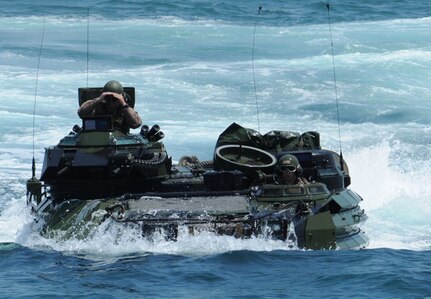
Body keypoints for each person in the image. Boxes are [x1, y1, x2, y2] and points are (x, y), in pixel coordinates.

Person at [77, 80, 142, 133]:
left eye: (114, 99)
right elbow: (81, 113)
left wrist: (124, 105)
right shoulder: (97, 105)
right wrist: (97, 101)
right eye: (108, 99)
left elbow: (136, 123)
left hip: (119, 141)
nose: (110, 102)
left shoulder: (124, 109)